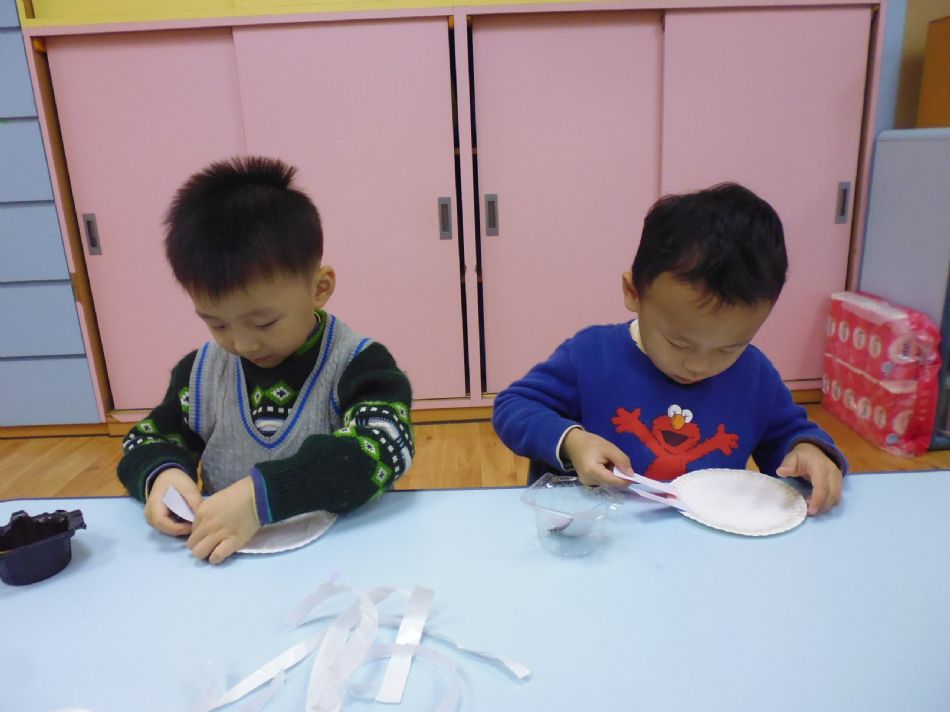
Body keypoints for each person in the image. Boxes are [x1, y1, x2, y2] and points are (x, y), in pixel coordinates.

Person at [117, 156, 414, 563]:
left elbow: (384, 445)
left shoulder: (359, 364)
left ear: (320, 288)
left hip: (345, 557)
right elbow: (146, 440)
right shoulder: (199, 375)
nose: (242, 343)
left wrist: (262, 496)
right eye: (218, 324)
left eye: (264, 322)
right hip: (232, 561)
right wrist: (161, 477)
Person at [492, 182, 845, 515]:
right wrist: (572, 441)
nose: (698, 365)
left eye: (729, 348)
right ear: (634, 293)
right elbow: (515, 406)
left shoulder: (756, 377)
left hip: (705, 535)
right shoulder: (591, 356)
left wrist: (808, 451)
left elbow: (788, 434)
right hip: (605, 533)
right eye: (679, 342)